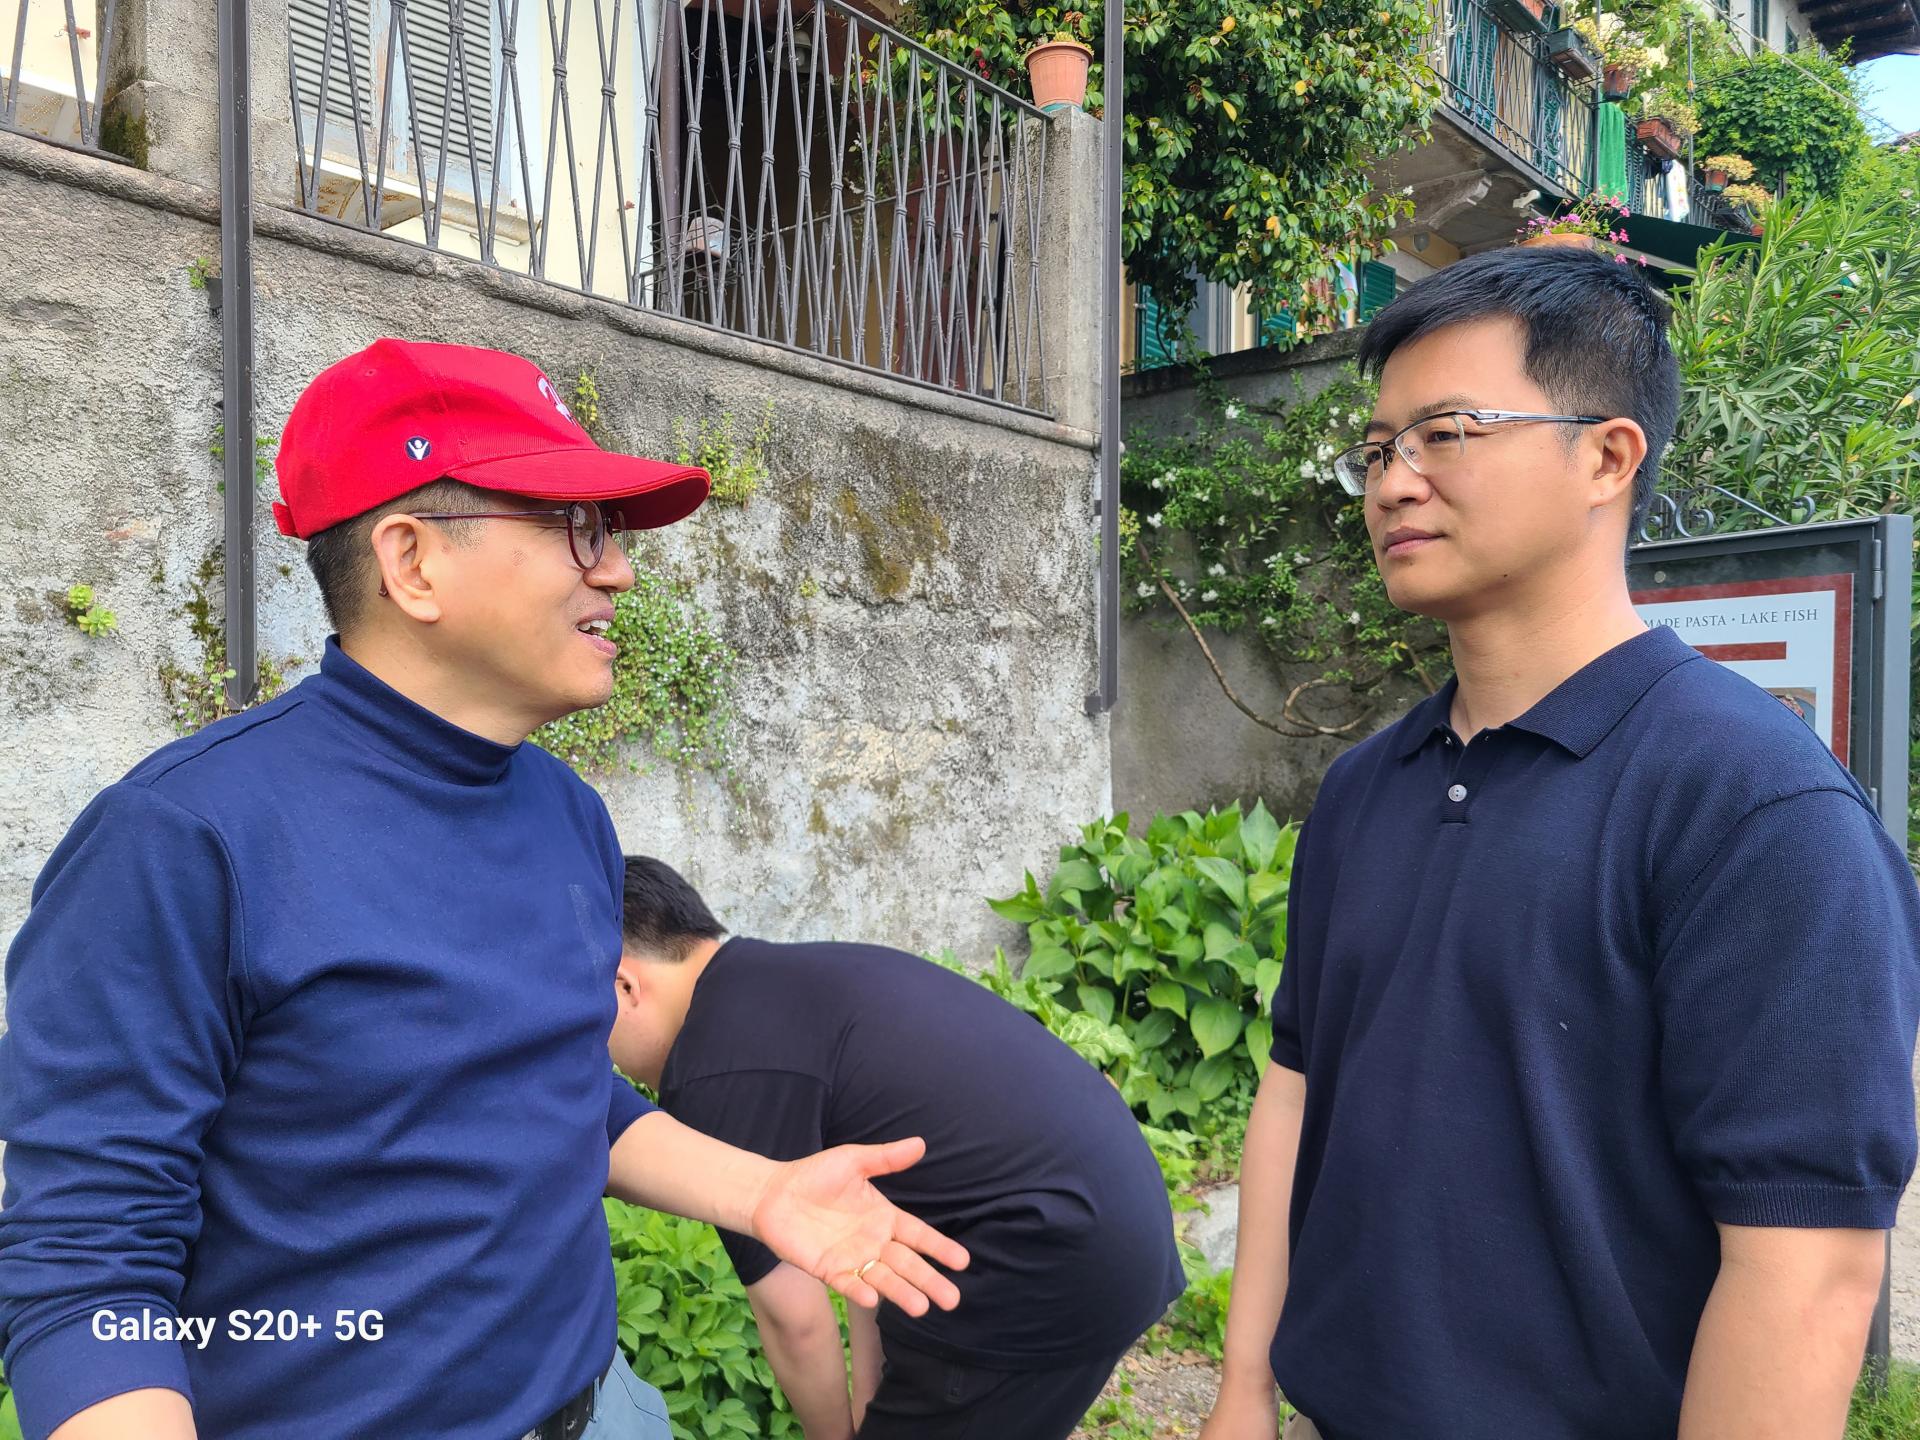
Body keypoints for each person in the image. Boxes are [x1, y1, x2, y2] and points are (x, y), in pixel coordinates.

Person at [0, 339, 967, 1440]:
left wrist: (762, 1193)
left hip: (604, 1410)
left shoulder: (567, 813)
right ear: (413, 562)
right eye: (576, 525)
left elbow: (560, 1091)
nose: (619, 570)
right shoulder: (183, 842)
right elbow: (86, 1264)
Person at [1197, 248, 1920, 1440]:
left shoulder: (1758, 811)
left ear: (1607, 457)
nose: (1392, 483)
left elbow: (1806, 1267)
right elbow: (1296, 1080)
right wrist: (1242, 1387)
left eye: (1446, 433)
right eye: (1377, 450)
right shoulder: (1365, 789)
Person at [607, 856, 1185, 1440]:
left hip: (1047, 1251)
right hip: (1114, 1205)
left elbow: (794, 1322)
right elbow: (869, 1235)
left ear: (624, 985)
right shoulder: (783, 980)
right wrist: (869, 1405)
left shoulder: (713, 1064)